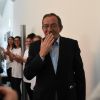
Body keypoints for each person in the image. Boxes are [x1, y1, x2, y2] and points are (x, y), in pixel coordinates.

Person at [24, 13, 86, 100]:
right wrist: (41, 54)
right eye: (46, 26)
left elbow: (80, 75)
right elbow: (28, 74)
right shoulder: (35, 46)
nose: (49, 29)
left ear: (60, 28)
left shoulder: (71, 44)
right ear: (42, 28)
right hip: (43, 96)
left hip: (67, 95)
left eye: (53, 25)